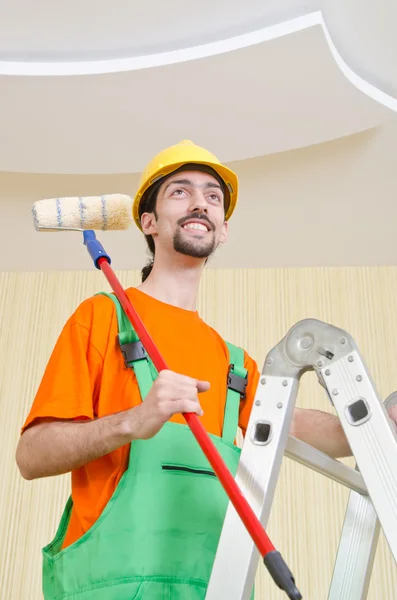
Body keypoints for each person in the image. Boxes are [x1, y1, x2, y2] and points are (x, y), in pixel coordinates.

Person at [16, 140, 397, 600]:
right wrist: (132, 421)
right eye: (180, 191)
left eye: (213, 196)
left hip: (217, 584)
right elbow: (31, 456)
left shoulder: (232, 361)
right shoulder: (102, 318)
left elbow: (292, 426)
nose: (200, 202)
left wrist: (377, 423)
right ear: (148, 222)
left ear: (223, 229)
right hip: (108, 584)